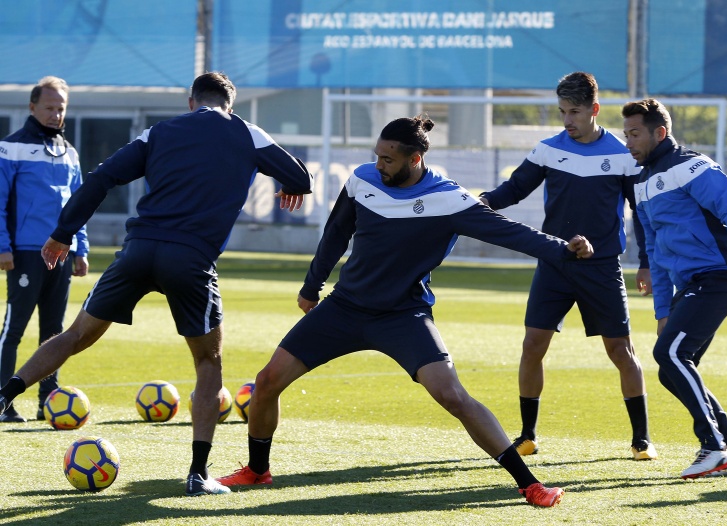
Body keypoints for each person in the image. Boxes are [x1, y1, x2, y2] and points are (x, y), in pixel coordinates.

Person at [215, 115, 595, 508]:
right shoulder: (362, 180)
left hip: (403, 316)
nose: (379, 165)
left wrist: (564, 249)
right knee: (267, 381)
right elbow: (336, 233)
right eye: (377, 155)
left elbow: (511, 232)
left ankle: (530, 485)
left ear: (415, 159)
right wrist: (312, 287)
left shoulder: (449, 199)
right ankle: (257, 470)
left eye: (388, 159)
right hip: (344, 308)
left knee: (453, 396)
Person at [0, 72, 313, 495]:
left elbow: (101, 178)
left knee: (74, 335)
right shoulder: (247, 132)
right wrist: (290, 183)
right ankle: (198, 475)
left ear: (191, 102)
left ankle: (5, 394)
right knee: (208, 363)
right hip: (190, 260)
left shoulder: (159, 132)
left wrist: (62, 234)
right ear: (230, 104)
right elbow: (302, 178)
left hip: (138, 251)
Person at [479, 72, 656, 460]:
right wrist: (481, 203)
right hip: (554, 264)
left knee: (621, 351)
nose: (567, 120)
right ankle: (527, 435)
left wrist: (646, 263)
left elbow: (640, 213)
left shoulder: (622, 155)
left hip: (602, 268)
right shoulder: (547, 149)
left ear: (594, 109)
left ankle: (642, 439)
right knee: (532, 346)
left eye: (574, 112)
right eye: (562, 111)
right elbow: (514, 189)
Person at [621, 98, 727, 479]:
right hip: (691, 286)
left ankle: (713, 446)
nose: (629, 142)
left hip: (719, 277)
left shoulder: (693, 166)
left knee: (669, 354)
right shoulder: (641, 184)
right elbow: (655, 251)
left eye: (635, 134)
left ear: (660, 133)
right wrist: (662, 311)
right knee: (670, 367)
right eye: (626, 135)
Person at [0, 76, 89, 423]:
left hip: (62, 254)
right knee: (14, 329)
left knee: (55, 332)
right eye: (49, 108)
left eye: (61, 108)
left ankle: (47, 402)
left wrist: (81, 248)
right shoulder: (10, 147)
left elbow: (78, 205)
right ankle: (3, 402)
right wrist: (3, 247)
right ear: (32, 107)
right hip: (25, 253)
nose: (56, 114)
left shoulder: (70, 152)